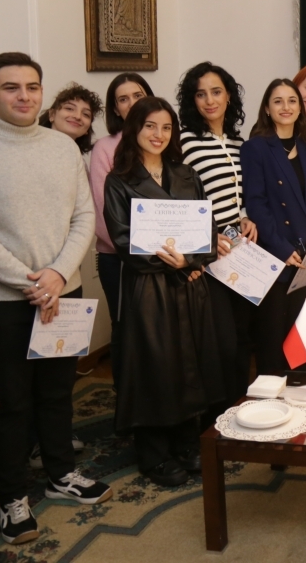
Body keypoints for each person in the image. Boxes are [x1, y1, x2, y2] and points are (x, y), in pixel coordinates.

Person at [0, 52, 110, 546]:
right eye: (11, 87)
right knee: (9, 403)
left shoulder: (63, 147)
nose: (24, 96)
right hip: (2, 300)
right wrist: (33, 282)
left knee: (58, 392)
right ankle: (12, 497)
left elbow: (84, 216)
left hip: (64, 291)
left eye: (32, 87)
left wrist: (58, 274)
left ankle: (61, 473)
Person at [103, 97, 231, 487]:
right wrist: (177, 263)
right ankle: (154, 454)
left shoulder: (186, 174)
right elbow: (124, 241)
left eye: (166, 127)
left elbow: (207, 232)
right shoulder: (119, 180)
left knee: (191, 362)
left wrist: (190, 261)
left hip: (190, 283)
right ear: (134, 129)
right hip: (148, 288)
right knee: (155, 367)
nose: (158, 135)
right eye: (150, 126)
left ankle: (187, 443)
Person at [176, 62, 256, 398]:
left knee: (243, 333)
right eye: (200, 94)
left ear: (228, 96)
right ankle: (216, 412)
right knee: (220, 339)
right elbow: (179, 200)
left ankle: (240, 403)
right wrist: (207, 240)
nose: (209, 100)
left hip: (242, 248)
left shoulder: (239, 142)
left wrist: (246, 216)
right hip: (211, 252)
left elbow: (246, 192)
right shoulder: (185, 142)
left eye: (216, 92)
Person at [241, 79, 306, 375]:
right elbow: (256, 204)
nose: (286, 107)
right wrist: (282, 248)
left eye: (292, 100)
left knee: (302, 339)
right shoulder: (255, 148)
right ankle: (270, 397)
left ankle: (302, 395)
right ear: (267, 108)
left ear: (300, 108)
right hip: (274, 259)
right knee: (273, 339)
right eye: (277, 101)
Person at [88, 73, 153, 389]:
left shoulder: (161, 139)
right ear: (115, 109)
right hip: (119, 257)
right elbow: (104, 212)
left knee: (158, 327)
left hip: (165, 256)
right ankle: (128, 396)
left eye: (137, 95)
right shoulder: (105, 148)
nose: (131, 103)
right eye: (123, 99)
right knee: (125, 327)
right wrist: (139, 249)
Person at [38, 83, 103, 156]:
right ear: (52, 114)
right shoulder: (33, 148)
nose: (78, 116)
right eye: (69, 108)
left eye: (86, 114)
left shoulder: (79, 160)